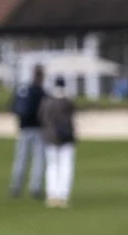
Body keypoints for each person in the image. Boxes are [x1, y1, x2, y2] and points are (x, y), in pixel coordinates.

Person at [9, 66, 48, 198]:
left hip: (24, 128)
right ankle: (35, 187)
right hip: (38, 128)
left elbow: (13, 106)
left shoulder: (23, 90)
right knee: (38, 159)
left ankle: (16, 186)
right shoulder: (41, 92)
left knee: (21, 158)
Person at [39, 76, 78, 208]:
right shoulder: (67, 101)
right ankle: (63, 195)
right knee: (66, 166)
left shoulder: (47, 101)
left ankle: (52, 194)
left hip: (50, 136)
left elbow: (41, 117)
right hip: (66, 136)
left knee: (52, 166)